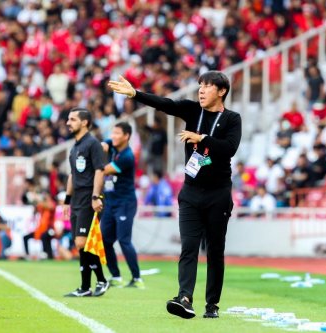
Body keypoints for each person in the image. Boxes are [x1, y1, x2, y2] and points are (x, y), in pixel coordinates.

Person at [108, 70, 242, 319]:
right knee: (188, 247)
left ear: (222, 91)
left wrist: (201, 138)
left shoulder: (232, 119)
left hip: (218, 194)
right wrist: (135, 93)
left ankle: (212, 304)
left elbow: (229, 149)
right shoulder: (193, 111)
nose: (201, 90)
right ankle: (184, 298)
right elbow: (166, 104)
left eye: (208, 86)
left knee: (214, 250)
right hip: (190, 192)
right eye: (200, 85)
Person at [63, 107, 109, 297]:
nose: (68, 122)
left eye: (72, 119)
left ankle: (101, 280)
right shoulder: (74, 147)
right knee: (79, 243)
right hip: (76, 199)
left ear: (84, 122)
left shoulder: (92, 144)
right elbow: (73, 175)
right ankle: (84, 288)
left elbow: (100, 170)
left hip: (89, 197)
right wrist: (66, 200)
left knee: (83, 242)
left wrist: (95, 197)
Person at [100, 122, 144, 289]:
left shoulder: (127, 156)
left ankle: (137, 278)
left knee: (124, 240)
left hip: (125, 203)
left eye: (117, 133)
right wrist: (104, 144)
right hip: (110, 202)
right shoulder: (113, 146)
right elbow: (105, 143)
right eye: (113, 132)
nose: (113, 136)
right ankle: (116, 276)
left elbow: (105, 170)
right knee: (105, 240)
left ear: (126, 136)